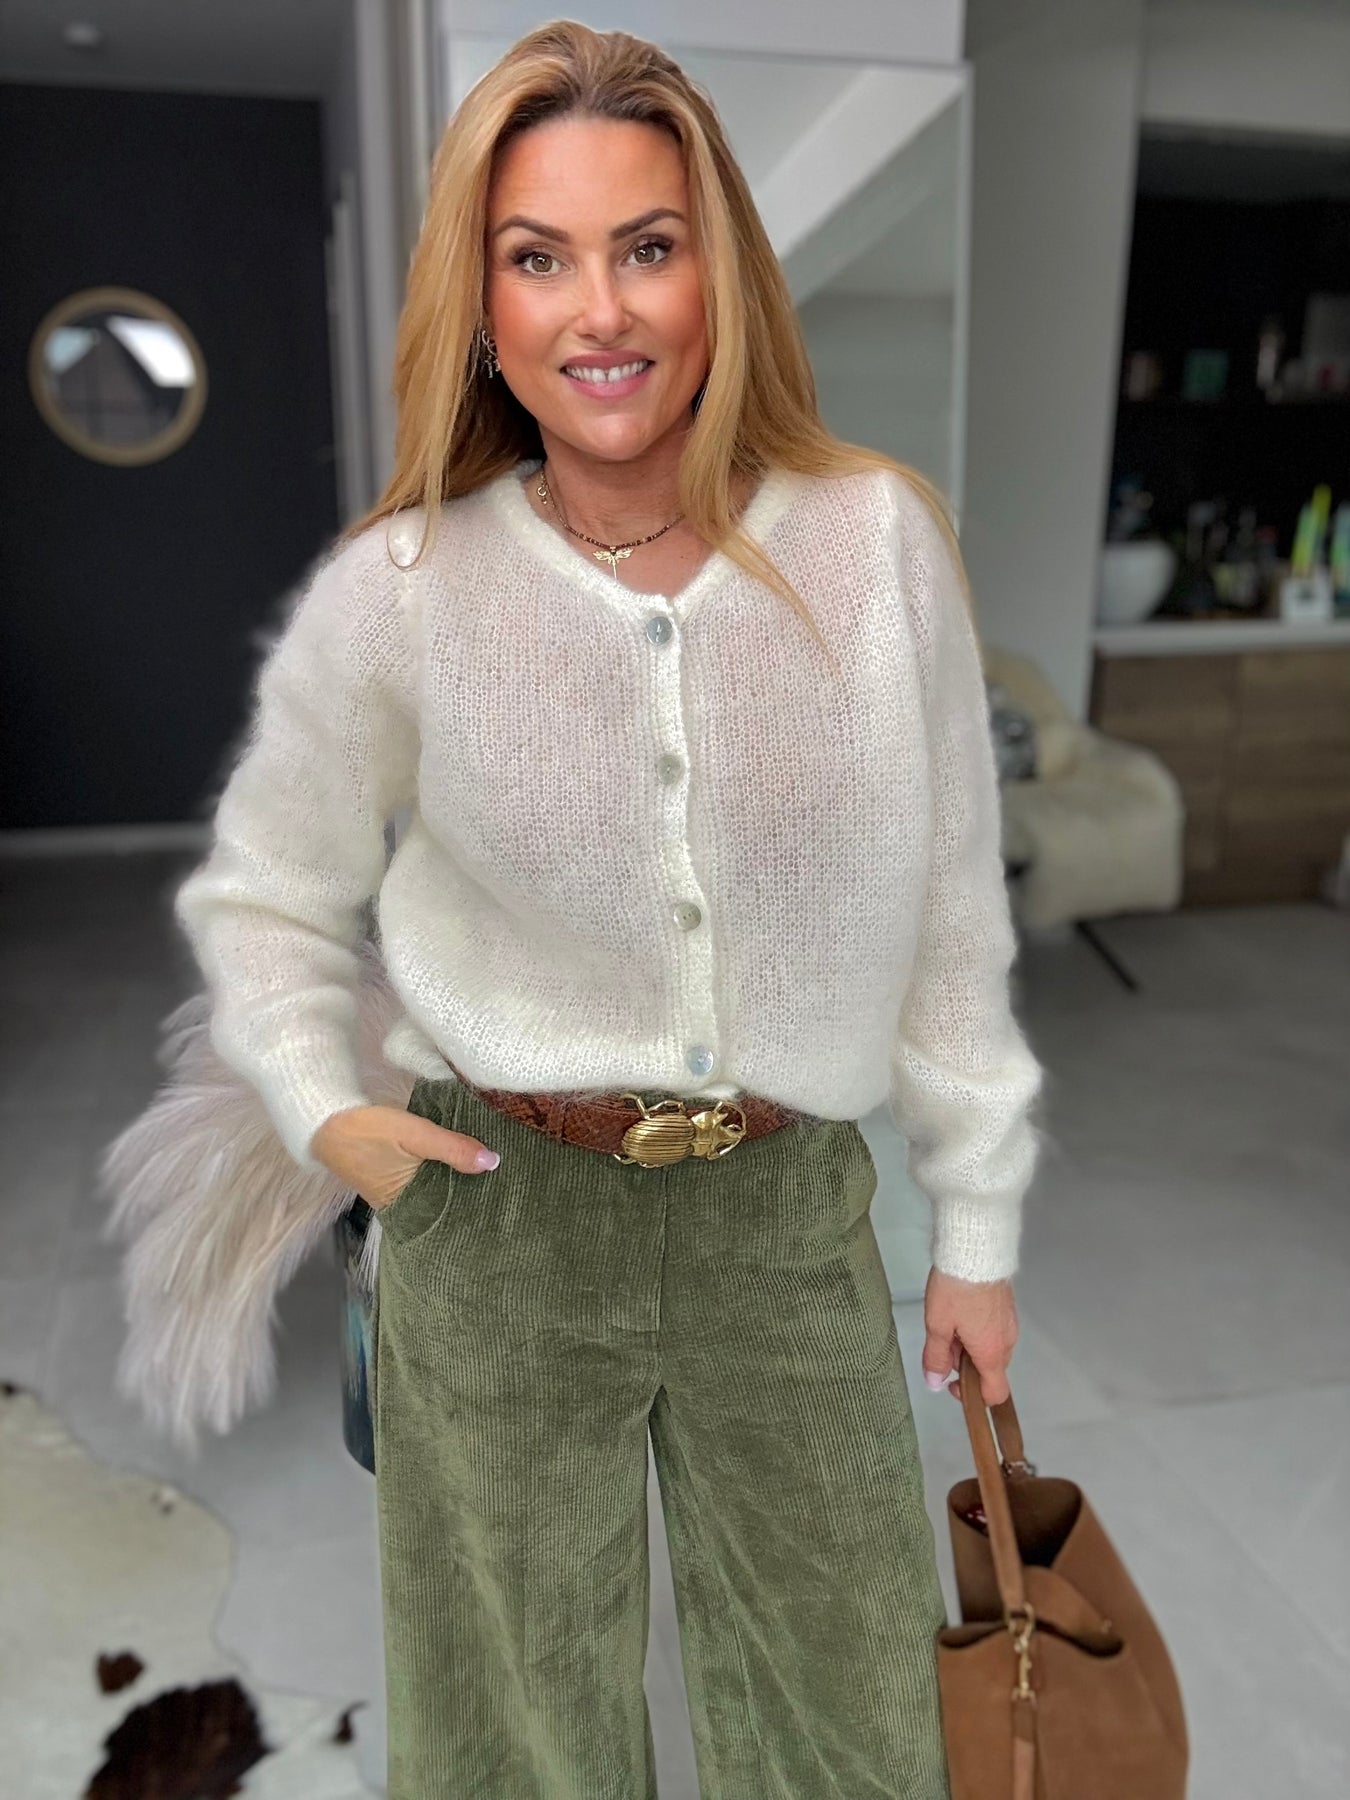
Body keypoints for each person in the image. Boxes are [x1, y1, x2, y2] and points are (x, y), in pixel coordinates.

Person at [171, 19, 1044, 1799]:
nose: (600, 312)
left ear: (718, 274)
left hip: (784, 1215)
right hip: (499, 1216)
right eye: (537, 257)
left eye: (646, 247)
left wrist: (976, 1220)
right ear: (479, 305)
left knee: (845, 1717)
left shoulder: (873, 543)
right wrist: (321, 1104)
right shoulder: (403, 584)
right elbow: (264, 888)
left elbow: (953, 905)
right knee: (512, 1735)